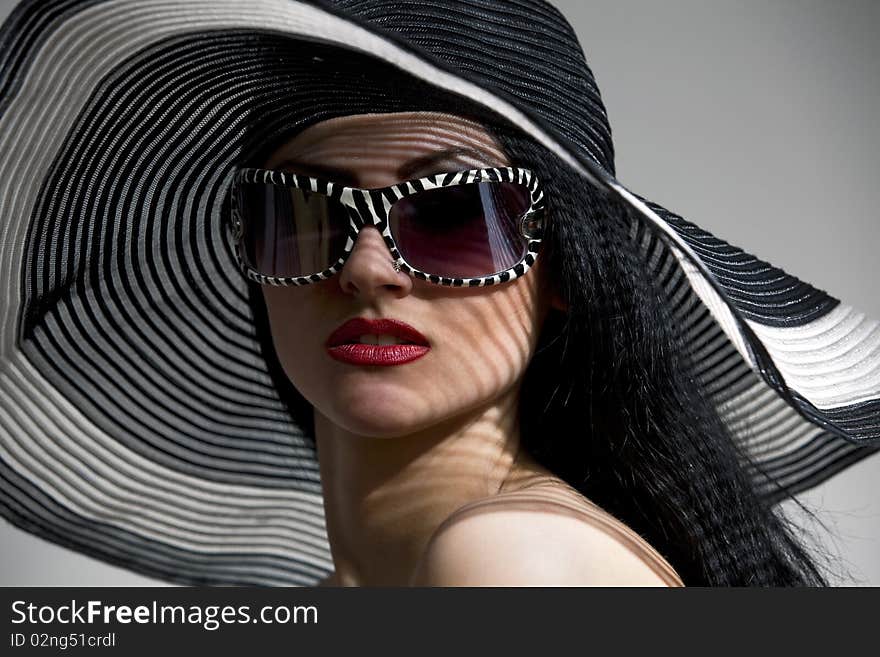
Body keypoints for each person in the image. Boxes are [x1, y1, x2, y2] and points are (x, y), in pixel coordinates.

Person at [0, 0, 877, 587]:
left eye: (458, 214)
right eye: (300, 212)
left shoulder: (504, 560)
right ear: (249, 254)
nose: (369, 268)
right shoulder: (413, 570)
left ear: (564, 268)